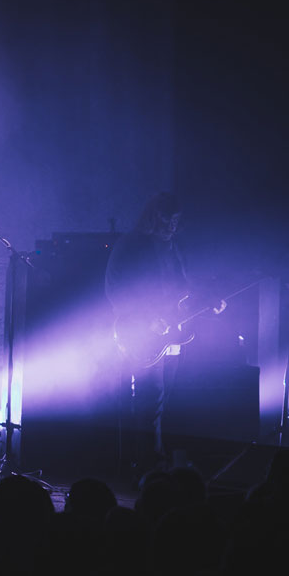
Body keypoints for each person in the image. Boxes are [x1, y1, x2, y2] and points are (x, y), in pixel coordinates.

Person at [105, 192, 223, 467]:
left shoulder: (173, 248)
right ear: (153, 217)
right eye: (166, 219)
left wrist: (208, 301)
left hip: (171, 336)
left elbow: (182, 290)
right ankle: (148, 466)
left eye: (176, 220)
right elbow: (117, 290)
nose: (172, 225)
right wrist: (146, 319)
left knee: (160, 404)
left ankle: (146, 464)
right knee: (150, 404)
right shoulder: (132, 246)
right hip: (141, 335)